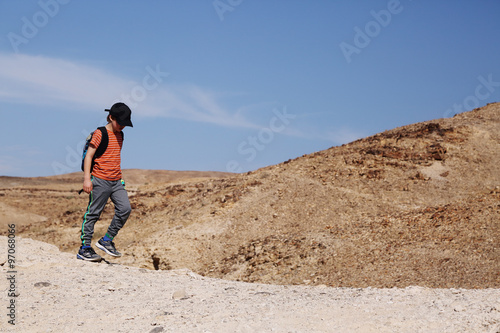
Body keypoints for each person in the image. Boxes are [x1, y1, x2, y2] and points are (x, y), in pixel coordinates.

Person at [77, 102, 133, 261]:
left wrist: (120, 179)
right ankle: (85, 248)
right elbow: (89, 156)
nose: (122, 126)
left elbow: (114, 158)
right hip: (99, 180)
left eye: (125, 124)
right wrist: (87, 179)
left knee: (125, 209)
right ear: (111, 117)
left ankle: (107, 240)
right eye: (120, 122)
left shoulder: (121, 135)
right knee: (93, 213)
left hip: (116, 181)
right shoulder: (100, 133)